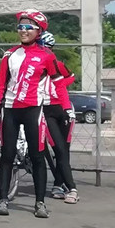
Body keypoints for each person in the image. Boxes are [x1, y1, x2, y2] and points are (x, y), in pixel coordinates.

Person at [0, 9, 60, 218]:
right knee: (7, 155)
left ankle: (39, 203)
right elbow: (2, 82)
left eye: (28, 27)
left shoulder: (47, 56)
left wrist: (59, 107)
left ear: (39, 31)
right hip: (10, 110)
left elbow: (59, 80)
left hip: (33, 109)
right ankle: (3, 200)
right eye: (20, 26)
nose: (23, 30)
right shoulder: (10, 54)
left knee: (37, 156)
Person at [38, 31, 79, 204]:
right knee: (58, 149)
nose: (45, 51)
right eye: (42, 47)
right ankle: (66, 185)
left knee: (64, 151)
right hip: (46, 110)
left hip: (63, 108)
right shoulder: (34, 66)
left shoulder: (58, 64)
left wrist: (57, 87)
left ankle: (63, 186)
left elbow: (71, 77)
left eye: (48, 48)